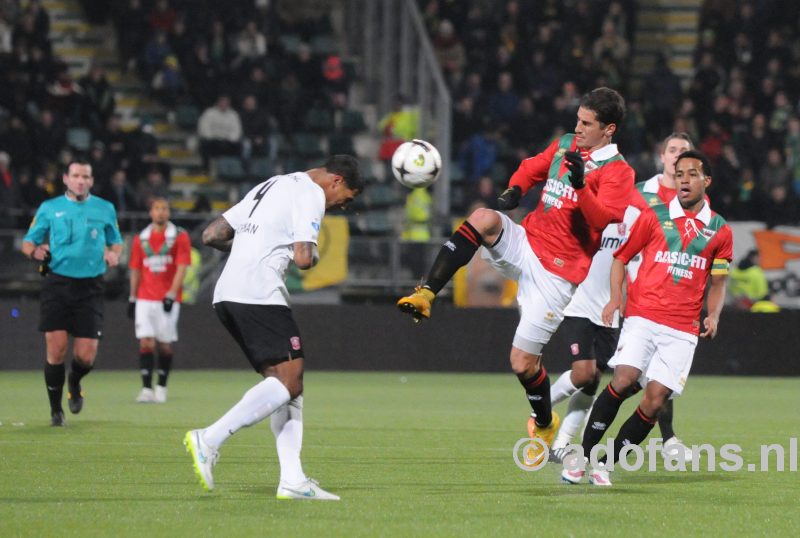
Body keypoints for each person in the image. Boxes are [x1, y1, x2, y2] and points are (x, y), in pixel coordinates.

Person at [397, 88, 635, 465]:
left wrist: (579, 187)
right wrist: (516, 189)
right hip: (529, 240)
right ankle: (426, 293)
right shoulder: (566, 144)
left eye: (587, 124)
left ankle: (544, 422)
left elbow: (603, 219)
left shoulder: (619, 172)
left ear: (609, 129)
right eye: (578, 119)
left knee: (522, 363)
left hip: (557, 275)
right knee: (483, 218)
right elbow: (533, 165)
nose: (578, 127)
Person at [184, 155, 363, 500]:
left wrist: (255, 243)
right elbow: (304, 258)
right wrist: (311, 254)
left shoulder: (273, 183)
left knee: (286, 384)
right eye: (347, 199)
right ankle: (209, 439)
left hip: (227, 293)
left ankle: (292, 480)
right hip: (259, 291)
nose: (342, 207)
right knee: (290, 381)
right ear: (337, 181)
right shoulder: (311, 194)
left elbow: (212, 234)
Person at [563, 150, 733, 486]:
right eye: (680, 173)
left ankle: (605, 464)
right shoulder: (653, 216)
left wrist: (713, 315)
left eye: (692, 173)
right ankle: (581, 457)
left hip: (683, 329)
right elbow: (620, 258)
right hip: (643, 316)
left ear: (706, 181)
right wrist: (616, 298)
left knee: (654, 402)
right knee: (623, 379)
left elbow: (719, 282)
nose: (684, 179)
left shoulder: (720, 231)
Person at [549, 133, 697, 464]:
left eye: (684, 152)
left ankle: (661, 438)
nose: (678, 157)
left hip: (659, 303)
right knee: (609, 378)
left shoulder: (694, 204)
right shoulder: (641, 194)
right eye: (673, 149)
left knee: (650, 380)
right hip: (627, 302)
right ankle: (567, 440)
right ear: (662, 156)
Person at [21, 160, 123, 426]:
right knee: (56, 349)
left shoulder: (105, 208)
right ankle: (56, 411)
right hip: (57, 283)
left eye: (85, 176)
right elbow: (27, 242)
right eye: (76, 175)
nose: (80, 180)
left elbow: (116, 242)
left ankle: (74, 381)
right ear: (66, 178)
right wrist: (35, 251)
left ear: (91, 180)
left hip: (90, 286)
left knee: (85, 356)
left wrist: (114, 254)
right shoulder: (50, 208)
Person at [128, 197, 191, 403]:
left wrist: (172, 294)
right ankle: (146, 389)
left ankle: (161, 386)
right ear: (151, 212)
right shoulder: (141, 239)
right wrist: (132, 297)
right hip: (145, 297)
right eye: (157, 208)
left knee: (164, 344)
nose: (161, 212)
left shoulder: (180, 237)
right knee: (145, 341)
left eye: (164, 208)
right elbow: (136, 269)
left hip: (167, 297)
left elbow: (182, 267)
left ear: (169, 212)